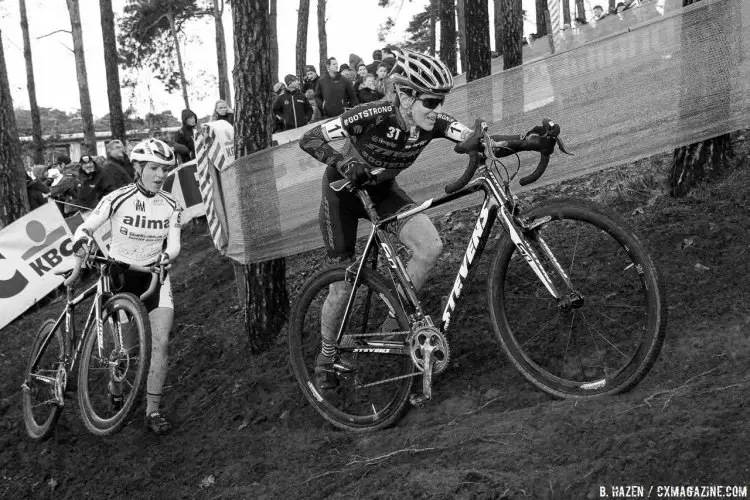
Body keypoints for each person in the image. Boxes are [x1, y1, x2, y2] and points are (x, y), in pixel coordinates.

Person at [299, 48, 555, 390]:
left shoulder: (435, 123)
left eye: (441, 102)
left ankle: (395, 328)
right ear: (405, 97)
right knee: (341, 289)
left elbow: (478, 141)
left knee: (430, 247)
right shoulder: (372, 113)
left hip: (382, 192)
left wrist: (526, 141)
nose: (438, 111)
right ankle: (326, 356)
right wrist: (344, 162)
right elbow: (309, 138)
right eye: (431, 102)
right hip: (341, 195)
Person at [72, 138, 184, 435]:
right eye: (154, 168)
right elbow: (88, 225)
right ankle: (116, 385)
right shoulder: (118, 198)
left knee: (160, 343)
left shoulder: (172, 204)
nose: (160, 175)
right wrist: (81, 239)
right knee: (129, 348)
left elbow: (174, 245)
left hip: (154, 276)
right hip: (121, 278)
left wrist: (165, 256)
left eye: (165, 169)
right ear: (137, 167)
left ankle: (153, 411)